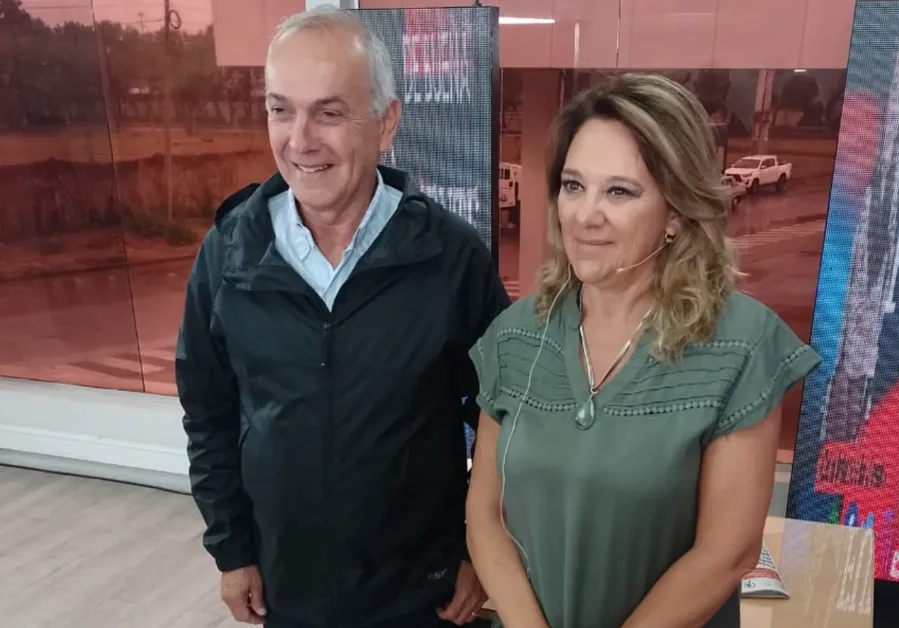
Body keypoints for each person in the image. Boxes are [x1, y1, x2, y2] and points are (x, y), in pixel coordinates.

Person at [176, 7, 508, 628]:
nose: (300, 140)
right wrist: (231, 549)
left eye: (329, 113)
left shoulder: (451, 259)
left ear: (387, 122)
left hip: (423, 597)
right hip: (285, 590)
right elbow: (208, 412)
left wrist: (477, 547)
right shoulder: (229, 255)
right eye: (281, 110)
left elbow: (502, 420)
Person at [465, 73, 822, 628]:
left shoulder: (739, 344)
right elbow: (485, 515)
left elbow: (726, 553)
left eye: (619, 192)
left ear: (676, 212)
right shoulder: (515, 334)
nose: (585, 215)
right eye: (573, 186)